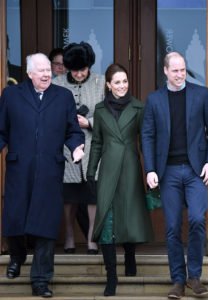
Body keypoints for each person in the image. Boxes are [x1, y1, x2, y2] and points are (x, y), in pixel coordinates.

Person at [0, 53, 85, 298]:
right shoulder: (11, 95)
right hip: (19, 169)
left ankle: (40, 279)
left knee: (46, 224)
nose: (47, 74)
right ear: (29, 74)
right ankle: (17, 257)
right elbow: (2, 130)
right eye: (41, 71)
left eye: (49, 69)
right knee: (15, 219)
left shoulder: (63, 96)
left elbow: (73, 130)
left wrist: (77, 146)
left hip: (50, 169)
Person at [141, 51, 208, 299]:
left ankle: (194, 276)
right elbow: (148, 135)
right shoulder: (154, 100)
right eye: (175, 70)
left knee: (197, 219)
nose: (180, 74)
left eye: (183, 70)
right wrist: (151, 169)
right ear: (165, 71)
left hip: (197, 170)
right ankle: (177, 279)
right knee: (173, 227)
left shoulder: (201, 94)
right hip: (169, 172)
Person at [87, 63, 152, 296]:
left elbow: (146, 141)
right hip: (107, 170)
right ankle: (111, 277)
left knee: (129, 216)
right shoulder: (100, 109)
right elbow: (96, 143)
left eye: (125, 81)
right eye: (117, 82)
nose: (122, 86)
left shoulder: (139, 107)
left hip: (131, 168)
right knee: (106, 220)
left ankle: (131, 256)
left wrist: (151, 170)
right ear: (108, 85)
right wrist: (90, 172)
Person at [53, 42, 105, 254]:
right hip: (66, 147)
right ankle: (70, 235)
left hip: (94, 145)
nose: (80, 74)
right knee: (69, 195)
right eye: (75, 70)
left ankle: (92, 237)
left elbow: (108, 113)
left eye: (83, 69)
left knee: (92, 193)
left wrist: (89, 122)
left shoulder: (100, 82)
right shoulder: (57, 84)